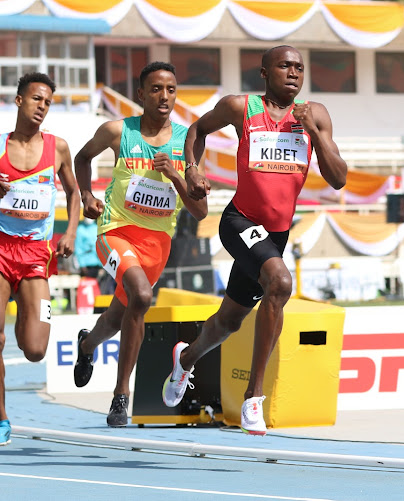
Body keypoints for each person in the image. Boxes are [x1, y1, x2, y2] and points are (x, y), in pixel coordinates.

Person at [161, 45, 347, 436]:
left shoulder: (315, 115)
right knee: (280, 281)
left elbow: (339, 178)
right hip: (239, 221)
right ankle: (254, 396)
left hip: (275, 235)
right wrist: (191, 171)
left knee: (229, 321)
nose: (293, 73)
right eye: (284, 66)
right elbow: (196, 130)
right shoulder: (240, 107)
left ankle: (186, 359)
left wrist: (312, 131)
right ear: (264, 73)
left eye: (299, 67)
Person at [72, 62, 208, 427]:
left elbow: (199, 211)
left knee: (118, 316)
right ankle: (121, 396)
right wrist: (86, 194)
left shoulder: (188, 142)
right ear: (140, 94)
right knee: (142, 297)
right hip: (115, 231)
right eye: (156, 89)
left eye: (171, 90)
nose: (164, 97)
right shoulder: (117, 131)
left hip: (157, 244)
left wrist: (176, 175)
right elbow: (82, 158)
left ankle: (87, 346)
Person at [0, 72, 80, 445]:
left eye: (47, 102)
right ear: (18, 100)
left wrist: (70, 233)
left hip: (35, 255)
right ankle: (1, 420)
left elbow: (74, 194)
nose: (41, 106)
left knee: (34, 349)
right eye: (35, 99)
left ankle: (21, 311)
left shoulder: (58, 147)